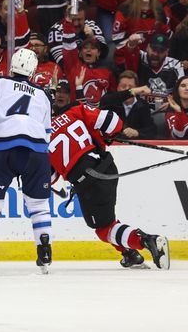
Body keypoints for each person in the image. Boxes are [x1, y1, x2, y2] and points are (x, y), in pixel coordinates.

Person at [49, 92, 170, 269]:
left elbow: (50, 177)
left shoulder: (38, 137)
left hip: (89, 179)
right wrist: (108, 134)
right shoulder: (75, 111)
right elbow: (113, 122)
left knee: (103, 229)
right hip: (106, 167)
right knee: (106, 221)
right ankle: (130, 254)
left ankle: (147, 241)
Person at [0, 48, 53, 275]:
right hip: (37, 151)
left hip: (5, 147)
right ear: (33, 70)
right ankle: (45, 251)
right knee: (39, 205)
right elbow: (47, 132)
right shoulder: (43, 94)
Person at [99, 71, 157, 139]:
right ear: (117, 88)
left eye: (131, 87)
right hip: (112, 144)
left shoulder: (143, 106)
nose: (127, 89)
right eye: (123, 86)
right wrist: (132, 91)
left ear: (136, 88)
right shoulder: (109, 101)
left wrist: (137, 133)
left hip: (135, 146)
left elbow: (151, 130)